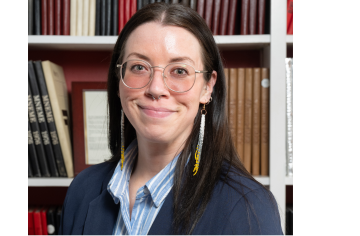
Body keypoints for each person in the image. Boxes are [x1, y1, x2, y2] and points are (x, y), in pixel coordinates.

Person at [59, 2, 283, 235]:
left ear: (207, 88)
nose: (156, 88)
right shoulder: (82, 190)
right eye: (138, 67)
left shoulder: (249, 207)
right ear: (119, 80)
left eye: (179, 71)